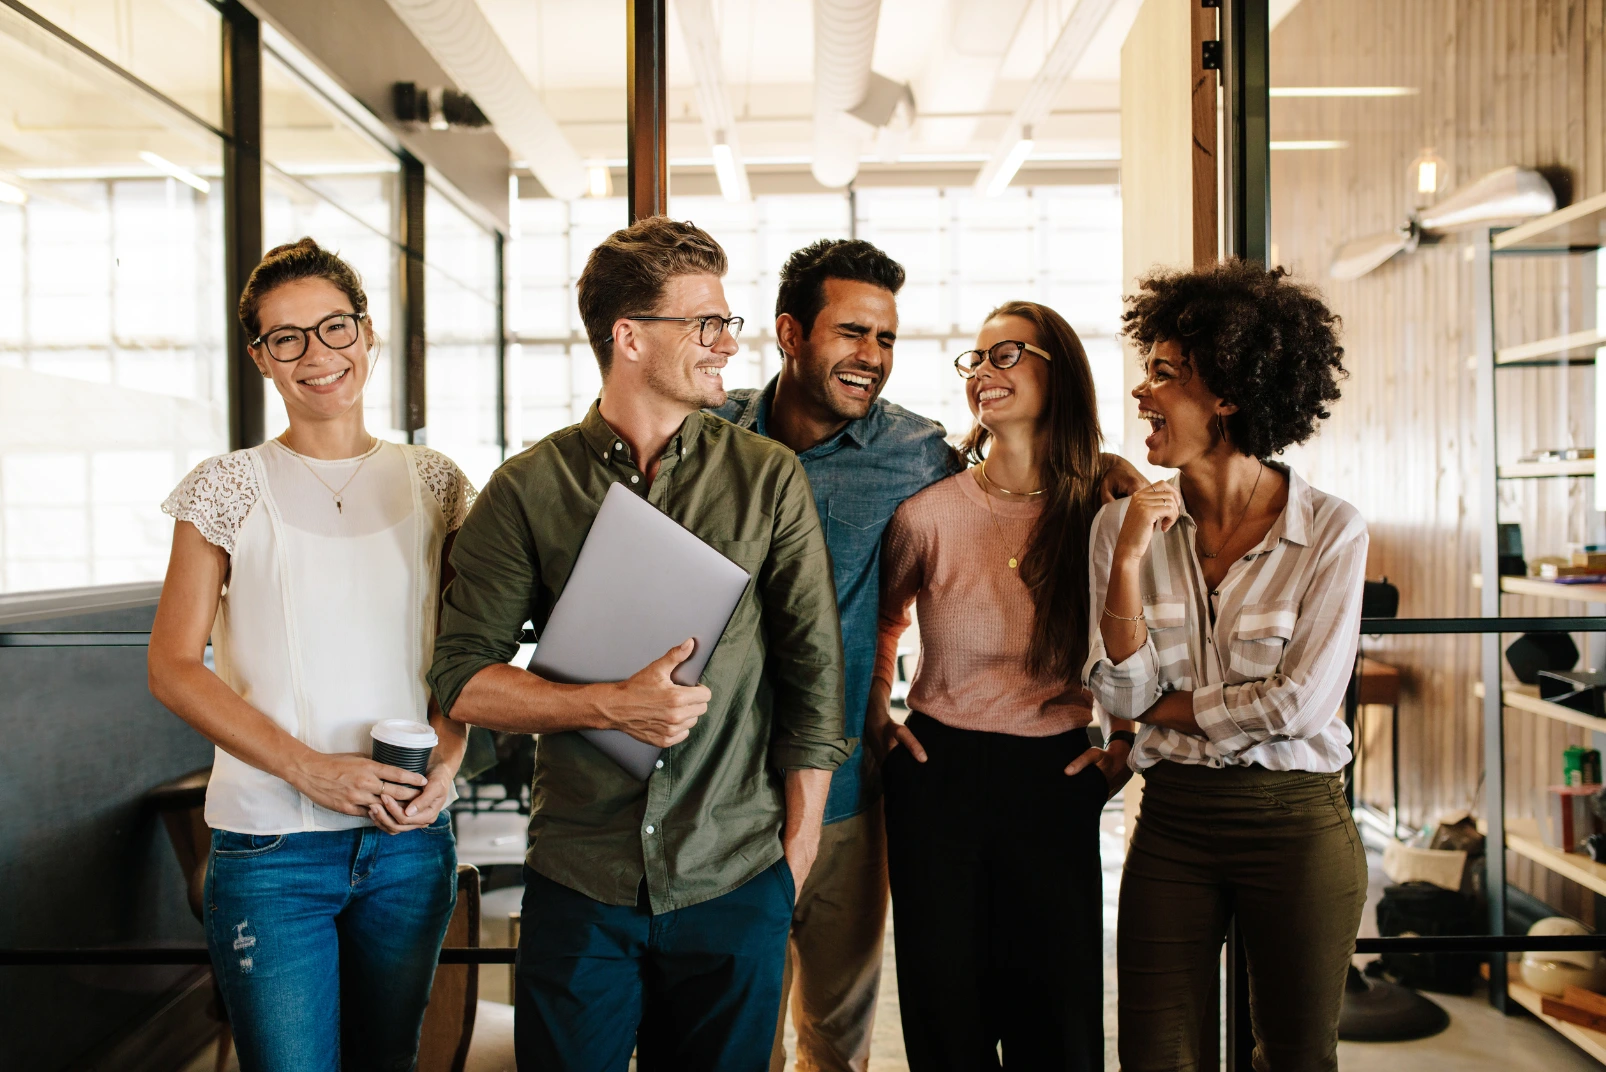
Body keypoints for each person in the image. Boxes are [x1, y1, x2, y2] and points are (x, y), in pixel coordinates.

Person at [426, 217, 851, 1072]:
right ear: (629, 337)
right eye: (706, 324)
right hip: (581, 879)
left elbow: (814, 679)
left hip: (734, 872)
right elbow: (461, 679)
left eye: (727, 323)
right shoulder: (528, 489)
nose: (728, 344)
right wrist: (605, 704)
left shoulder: (767, 477)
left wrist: (793, 857)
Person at [147, 238, 473, 1072]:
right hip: (271, 851)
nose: (317, 355)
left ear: (366, 336)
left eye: (334, 328)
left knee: (386, 1060)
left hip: (406, 842)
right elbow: (174, 666)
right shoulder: (224, 486)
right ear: (261, 357)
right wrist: (310, 769)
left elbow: (470, 649)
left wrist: (451, 754)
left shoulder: (436, 481)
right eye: (285, 338)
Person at [1084, 260, 1367, 1072]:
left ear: (1231, 396)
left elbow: (1300, 708)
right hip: (1171, 820)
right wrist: (1133, 553)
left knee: (1294, 1057)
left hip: (1297, 822)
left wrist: (1164, 706)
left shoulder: (1332, 531)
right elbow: (1120, 692)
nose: (1142, 392)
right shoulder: (1121, 530)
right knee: (1156, 1056)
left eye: (1166, 374)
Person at [867, 301, 1136, 1071]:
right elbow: (885, 622)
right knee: (944, 1015)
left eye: (1006, 354)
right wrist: (879, 718)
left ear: (1061, 371)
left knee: (1059, 1020)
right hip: (936, 773)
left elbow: (1148, 637)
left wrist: (1125, 739)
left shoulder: (1104, 509)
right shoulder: (928, 514)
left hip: (1053, 774)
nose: (983, 372)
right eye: (975, 360)